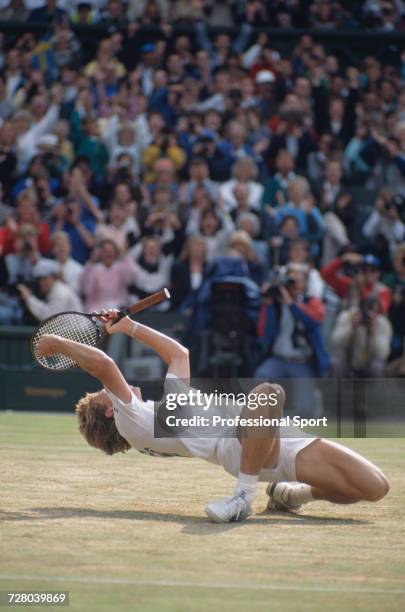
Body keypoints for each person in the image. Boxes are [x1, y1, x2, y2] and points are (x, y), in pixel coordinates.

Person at [35, 311, 389, 524]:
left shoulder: (166, 407)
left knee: (372, 488)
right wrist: (57, 341)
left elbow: (178, 353)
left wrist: (130, 327)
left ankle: (289, 496)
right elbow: (104, 365)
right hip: (237, 449)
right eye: (106, 393)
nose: (120, 385)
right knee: (269, 392)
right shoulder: (133, 422)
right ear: (110, 409)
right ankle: (241, 498)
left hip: (271, 434)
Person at [17, 259, 82, 321]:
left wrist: (29, 298)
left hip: (77, 331)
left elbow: (49, 318)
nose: (41, 283)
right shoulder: (56, 289)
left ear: (54, 277)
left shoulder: (60, 292)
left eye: (45, 278)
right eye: (40, 279)